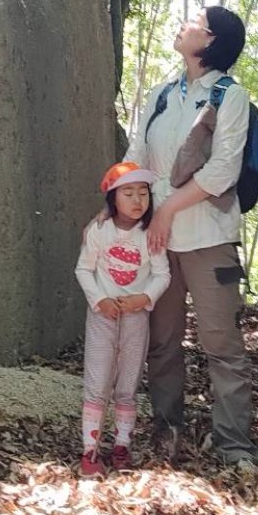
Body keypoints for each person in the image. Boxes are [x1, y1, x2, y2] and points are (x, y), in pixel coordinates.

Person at [128, 6, 258, 467]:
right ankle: (166, 430)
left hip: (209, 236)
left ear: (210, 41)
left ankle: (234, 445)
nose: (182, 24)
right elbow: (137, 156)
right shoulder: (162, 94)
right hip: (157, 240)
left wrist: (167, 208)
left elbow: (223, 171)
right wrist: (126, 210)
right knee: (162, 340)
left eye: (193, 21)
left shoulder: (230, 96)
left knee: (222, 344)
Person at [74, 162, 171, 476]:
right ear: (113, 198)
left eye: (143, 193)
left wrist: (143, 298)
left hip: (135, 318)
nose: (137, 200)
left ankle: (121, 446)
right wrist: (100, 300)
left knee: (128, 383)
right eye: (128, 193)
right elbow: (83, 269)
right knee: (97, 381)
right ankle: (90, 452)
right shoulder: (100, 231)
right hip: (102, 316)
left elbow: (162, 274)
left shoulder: (150, 234)